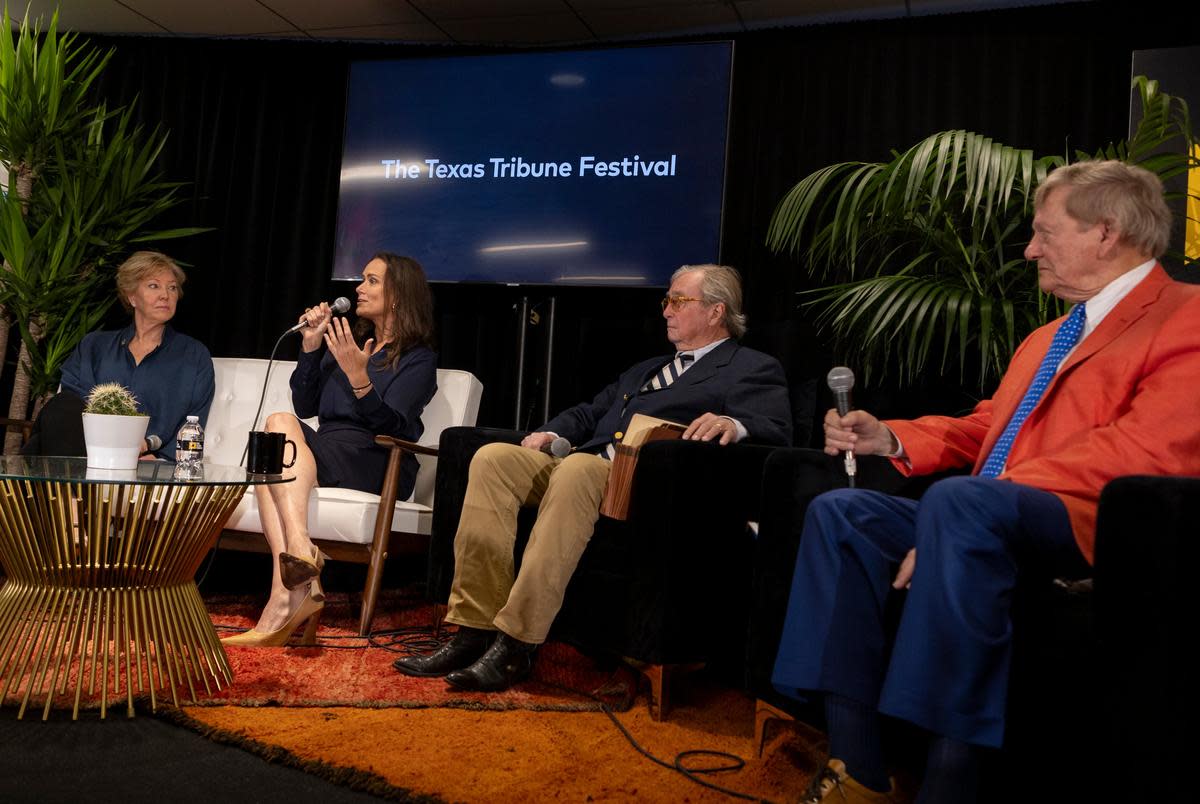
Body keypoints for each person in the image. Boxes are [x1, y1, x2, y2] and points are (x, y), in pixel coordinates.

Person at [770, 159, 1200, 804]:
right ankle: (857, 768)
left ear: (1106, 232)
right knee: (842, 514)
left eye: (1044, 233)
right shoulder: (1048, 337)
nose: (1029, 250)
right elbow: (990, 427)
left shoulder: (1186, 316)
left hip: (1088, 524)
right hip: (981, 513)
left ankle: (951, 781)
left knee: (958, 503)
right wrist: (889, 437)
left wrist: (968, 509)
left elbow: (1150, 449)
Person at [394, 263, 793, 690]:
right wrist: (553, 431)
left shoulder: (750, 367)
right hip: (581, 467)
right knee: (494, 459)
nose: (666, 311)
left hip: (642, 485)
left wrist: (734, 423)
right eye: (667, 301)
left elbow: (777, 428)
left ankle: (517, 642)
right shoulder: (647, 369)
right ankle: (473, 629)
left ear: (716, 312)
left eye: (679, 301)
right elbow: (590, 412)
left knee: (581, 468)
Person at [222, 252, 438, 647]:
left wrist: (360, 378)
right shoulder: (347, 342)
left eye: (372, 280)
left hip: (377, 457)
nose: (359, 288)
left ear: (397, 296)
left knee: (274, 448)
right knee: (277, 427)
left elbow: (396, 425)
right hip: (330, 449)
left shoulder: (417, 359)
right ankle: (293, 573)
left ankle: (284, 598)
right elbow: (306, 406)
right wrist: (309, 346)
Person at [29, 251, 215, 460]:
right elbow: (69, 406)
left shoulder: (194, 355)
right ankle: (69, 489)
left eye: (172, 287)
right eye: (154, 286)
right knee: (61, 406)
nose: (165, 295)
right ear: (132, 297)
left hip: (149, 461)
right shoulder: (93, 346)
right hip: (86, 453)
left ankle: (63, 489)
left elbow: (196, 419)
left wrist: (164, 457)